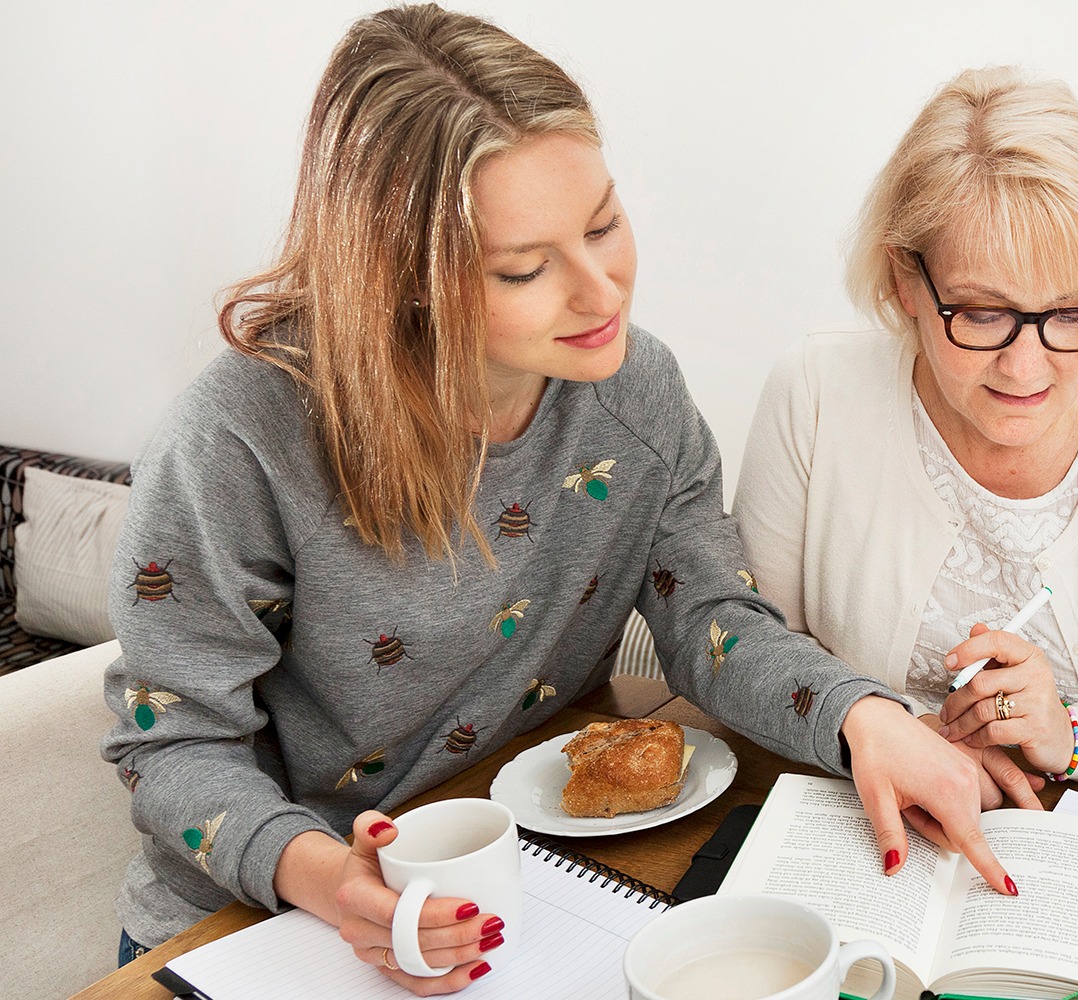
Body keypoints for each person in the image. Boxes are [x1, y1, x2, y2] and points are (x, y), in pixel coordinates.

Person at [101, 8, 1015, 993]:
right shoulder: (241, 435)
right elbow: (174, 739)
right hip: (256, 926)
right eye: (525, 268)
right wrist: (330, 881)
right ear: (399, 282)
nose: (601, 291)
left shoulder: (636, 394)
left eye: (603, 223)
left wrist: (863, 718)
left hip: (524, 891)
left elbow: (714, 621)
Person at [732, 66, 1078, 791]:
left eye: (1070, 314)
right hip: (859, 815)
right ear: (906, 279)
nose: (1026, 369)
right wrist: (907, 734)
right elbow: (750, 649)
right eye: (983, 315)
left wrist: (1071, 734)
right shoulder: (813, 393)